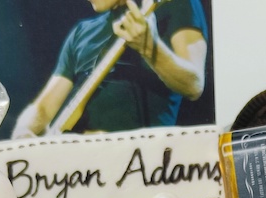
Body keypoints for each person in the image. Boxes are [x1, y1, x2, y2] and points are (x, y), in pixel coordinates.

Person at [12, 0, 208, 137]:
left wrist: (149, 48)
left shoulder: (174, 5)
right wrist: (22, 133)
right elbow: (43, 109)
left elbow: (194, 85)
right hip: (78, 168)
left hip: (140, 166)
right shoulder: (81, 32)